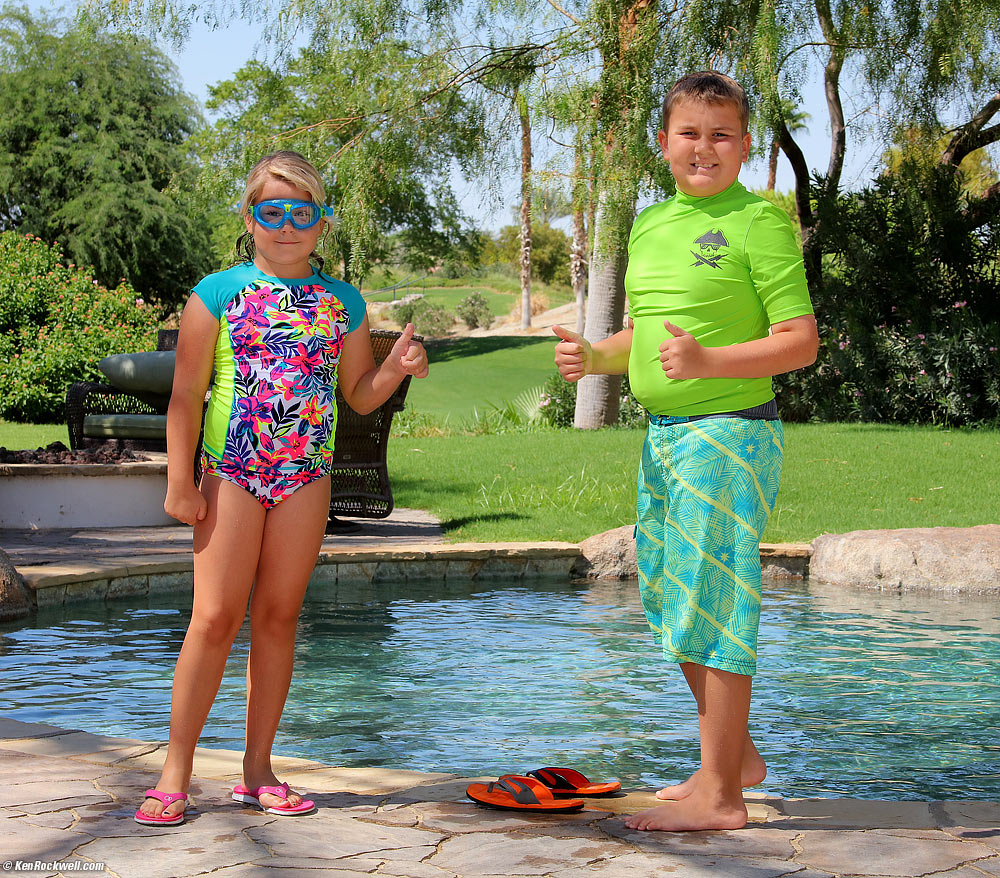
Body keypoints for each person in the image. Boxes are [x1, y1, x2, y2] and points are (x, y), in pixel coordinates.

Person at [553, 72, 818, 832]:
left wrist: (708, 365)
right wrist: (599, 357)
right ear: (663, 142)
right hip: (665, 438)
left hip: (729, 433)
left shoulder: (758, 222)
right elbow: (654, 333)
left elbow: (798, 342)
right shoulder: (649, 224)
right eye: (690, 133)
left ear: (743, 145)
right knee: (671, 599)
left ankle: (722, 797)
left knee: (717, 602)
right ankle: (733, 758)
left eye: (722, 134)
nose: (704, 147)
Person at [135, 150, 428, 826]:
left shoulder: (341, 301)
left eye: (303, 213)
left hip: (305, 477)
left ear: (322, 222)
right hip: (232, 470)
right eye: (273, 211)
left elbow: (358, 396)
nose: (287, 225)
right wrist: (181, 482)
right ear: (250, 217)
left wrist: (397, 369)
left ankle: (257, 768)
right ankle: (174, 769)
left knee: (277, 618)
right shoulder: (217, 293)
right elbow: (183, 398)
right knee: (212, 619)